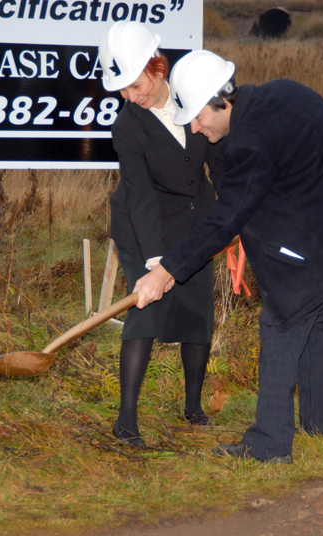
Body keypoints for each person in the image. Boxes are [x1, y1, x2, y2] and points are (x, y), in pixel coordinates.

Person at [132, 50, 323, 463]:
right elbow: (247, 186)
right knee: (319, 319)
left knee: (282, 321)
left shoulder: (250, 142)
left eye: (197, 116)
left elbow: (226, 217)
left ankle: (268, 444)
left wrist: (167, 270)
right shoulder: (279, 95)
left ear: (220, 99)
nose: (193, 125)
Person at [97, 22, 222, 447]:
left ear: (157, 66)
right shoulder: (128, 126)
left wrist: (229, 216)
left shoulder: (194, 97)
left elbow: (216, 160)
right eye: (124, 91)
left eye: (135, 85)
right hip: (143, 228)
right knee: (146, 311)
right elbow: (140, 194)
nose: (132, 96)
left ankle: (193, 407)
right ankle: (126, 421)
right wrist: (154, 262)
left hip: (196, 223)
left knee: (196, 311)